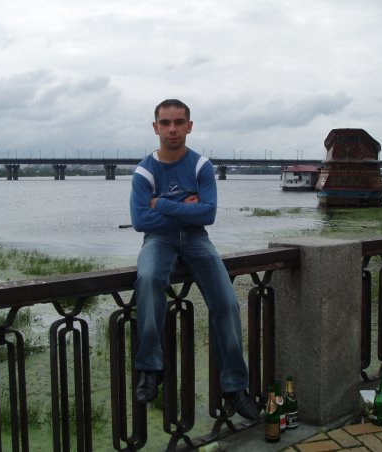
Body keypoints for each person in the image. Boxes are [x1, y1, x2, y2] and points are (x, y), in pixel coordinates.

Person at [129, 98, 261, 420]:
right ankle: (151, 369)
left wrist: (162, 204)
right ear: (155, 127)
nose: (172, 129)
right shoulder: (145, 171)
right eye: (165, 123)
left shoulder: (201, 166)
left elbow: (208, 214)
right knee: (148, 279)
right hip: (158, 240)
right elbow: (140, 221)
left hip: (197, 239)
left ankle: (235, 387)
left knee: (226, 303)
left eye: (179, 122)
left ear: (189, 126)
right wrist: (186, 209)